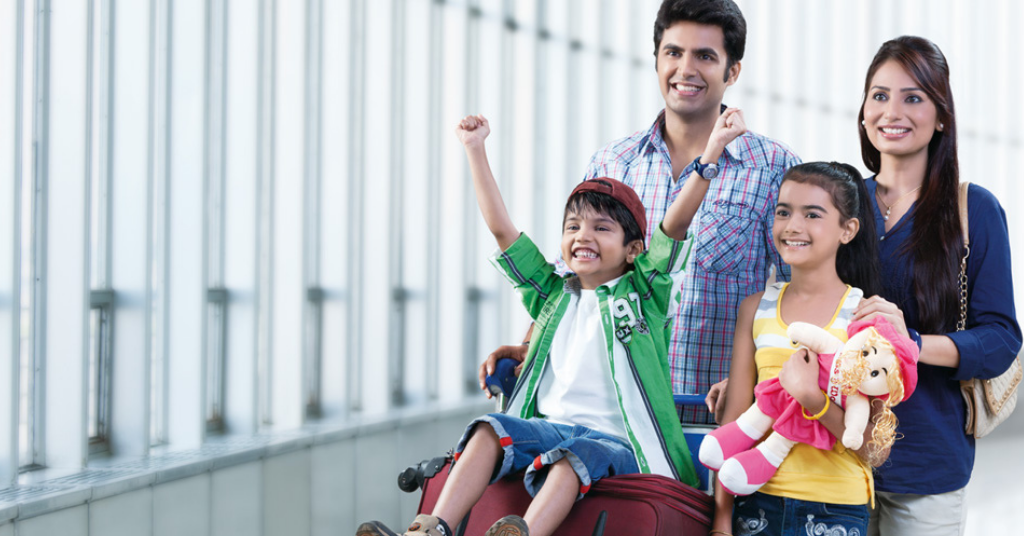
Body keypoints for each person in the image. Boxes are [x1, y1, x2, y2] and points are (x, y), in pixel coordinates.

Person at [355, 109, 738, 536]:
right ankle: (432, 529)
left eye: (601, 227)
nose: (582, 236)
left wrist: (709, 156)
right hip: (547, 430)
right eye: (573, 225)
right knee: (488, 428)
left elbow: (674, 225)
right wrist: (475, 150)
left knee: (574, 457)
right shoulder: (553, 296)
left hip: (618, 444)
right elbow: (504, 232)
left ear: (633, 250)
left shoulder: (643, 294)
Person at [478, 0, 801, 427]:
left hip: (718, 417)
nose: (685, 69)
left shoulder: (776, 169)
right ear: (656, 60)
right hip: (612, 417)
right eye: (673, 52)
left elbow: (800, 291)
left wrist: (762, 381)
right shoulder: (614, 163)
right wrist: (531, 344)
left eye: (705, 56)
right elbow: (574, 280)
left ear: (732, 71)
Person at [850, 36, 1021, 535]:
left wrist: (913, 345)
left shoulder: (973, 211)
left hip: (928, 466)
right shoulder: (840, 203)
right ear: (863, 112)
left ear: (941, 115)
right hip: (834, 459)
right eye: (879, 95)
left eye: (913, 97)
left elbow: (1001, 339)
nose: (892, 111)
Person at [711, 162, 887, 536]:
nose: (792, 226)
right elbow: (734, 425)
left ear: (847, 229)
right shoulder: (754, 308)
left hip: (836, 507)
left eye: (813, 214)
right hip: (756, 497)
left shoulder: (866, 317)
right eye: (783, 212)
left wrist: (813, 399)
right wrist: (721, 521)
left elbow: (876, 449)